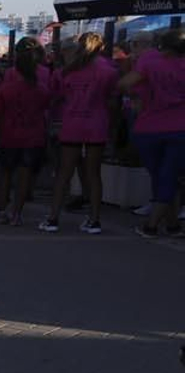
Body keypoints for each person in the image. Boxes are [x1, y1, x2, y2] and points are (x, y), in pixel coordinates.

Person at [45, 32, 120, 234]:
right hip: (97, 124)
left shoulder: (67, 70)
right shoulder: (109, 70)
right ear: (101, 47)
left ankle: (53, 218)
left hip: (72, 123)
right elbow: (113, 101)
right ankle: (94, 220)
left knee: (64, 173)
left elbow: (55, 96)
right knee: (93, 174)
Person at [119, 28, 185, 237]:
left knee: (160, 177)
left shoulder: (150, 61)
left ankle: (161, 224)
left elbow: (123, 84)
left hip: (148, 127)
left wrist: (138, 97)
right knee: (169, 177)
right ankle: (160, 225)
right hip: (180, 128)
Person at [0, 38, 53, 226]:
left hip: (9, 135)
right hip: (33, 136)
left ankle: (1, 211)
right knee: (24, 176)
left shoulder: (7, 86)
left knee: (6, 174)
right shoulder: (41, 87)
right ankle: (17, 214)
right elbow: (46, 107)